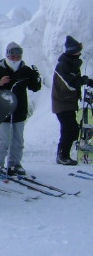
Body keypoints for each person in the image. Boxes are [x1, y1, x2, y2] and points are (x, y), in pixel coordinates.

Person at [0, 42, 42, 175]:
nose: (15, 59)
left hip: (20, 110)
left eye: (18, 57)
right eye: (12, 57)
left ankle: (15, 164)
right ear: (7, 55)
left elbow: (35, 87)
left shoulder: (26, 70)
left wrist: (36, 77)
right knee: (3, 140)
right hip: (2, 110)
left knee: (18, 141)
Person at [52, 35, 92, 165]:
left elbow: (75, 81)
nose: (80, 53)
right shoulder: (63, 65)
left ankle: (63, 154)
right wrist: (82, 81)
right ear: (72, 51)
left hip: (69, 103)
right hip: (61, 102)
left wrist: (87, 81)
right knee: (69, 129)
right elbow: (69, 84)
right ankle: (62, 156)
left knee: (71, 129)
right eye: (77, 51)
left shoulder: (72, 64)